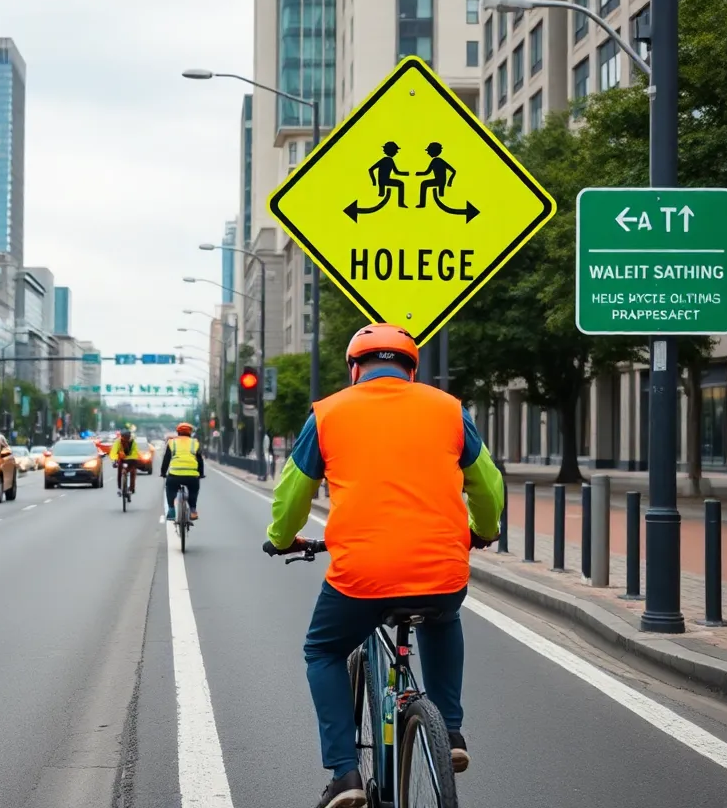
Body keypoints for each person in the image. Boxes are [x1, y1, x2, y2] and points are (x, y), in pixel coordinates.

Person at [263, 324, 504, 808]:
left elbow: (293, 493)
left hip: (362, 576)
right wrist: (484, 529)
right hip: (441, 568)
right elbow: (487, 484)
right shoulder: (449, 409)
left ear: (355, 368)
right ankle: (450, 731)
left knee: (323, 651)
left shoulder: (328, 413)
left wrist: (282, 538)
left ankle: (345, 773)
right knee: (443, 617)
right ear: (411, 369)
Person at [160, 422, 203, 521]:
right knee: (193, 491)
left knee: (170, 488)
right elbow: (200, 460)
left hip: (175, 474)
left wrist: (163, 472)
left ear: (178, 432)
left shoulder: (172, 442)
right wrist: (201, 474)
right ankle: (193, 510)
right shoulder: (195, 443)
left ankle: (171, 510)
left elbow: (166, 459)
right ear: (190, 433)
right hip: (192, 475)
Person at [108, 427, 141, 495]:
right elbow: (113, 451)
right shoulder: (118, 442)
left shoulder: (133, 442)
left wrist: (132, 459)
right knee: (119, 472)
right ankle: (119, 488)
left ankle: (131, 488)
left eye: (127, 438)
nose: (125, 439)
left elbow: (135, 453)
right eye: (123, 438)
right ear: (121, 437)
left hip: (131, 460)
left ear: (129, 437)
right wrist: (114, 459)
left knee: (133, 472)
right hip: (122, 459)